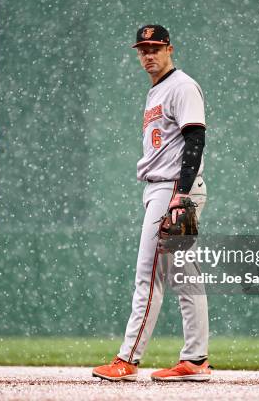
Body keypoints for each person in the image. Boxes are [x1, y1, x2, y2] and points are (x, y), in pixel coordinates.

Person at [93, 25, 211, 382]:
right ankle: (196, 360)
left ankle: (128, 358)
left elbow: (196, 139)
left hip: (173, 189)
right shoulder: (157, 90)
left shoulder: (181, 86)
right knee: (184, 277)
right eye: (143, 49)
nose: (148, 55)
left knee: (149, 276)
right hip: (167, 188)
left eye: (155, 48)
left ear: (170, 49)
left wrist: (181, 194)